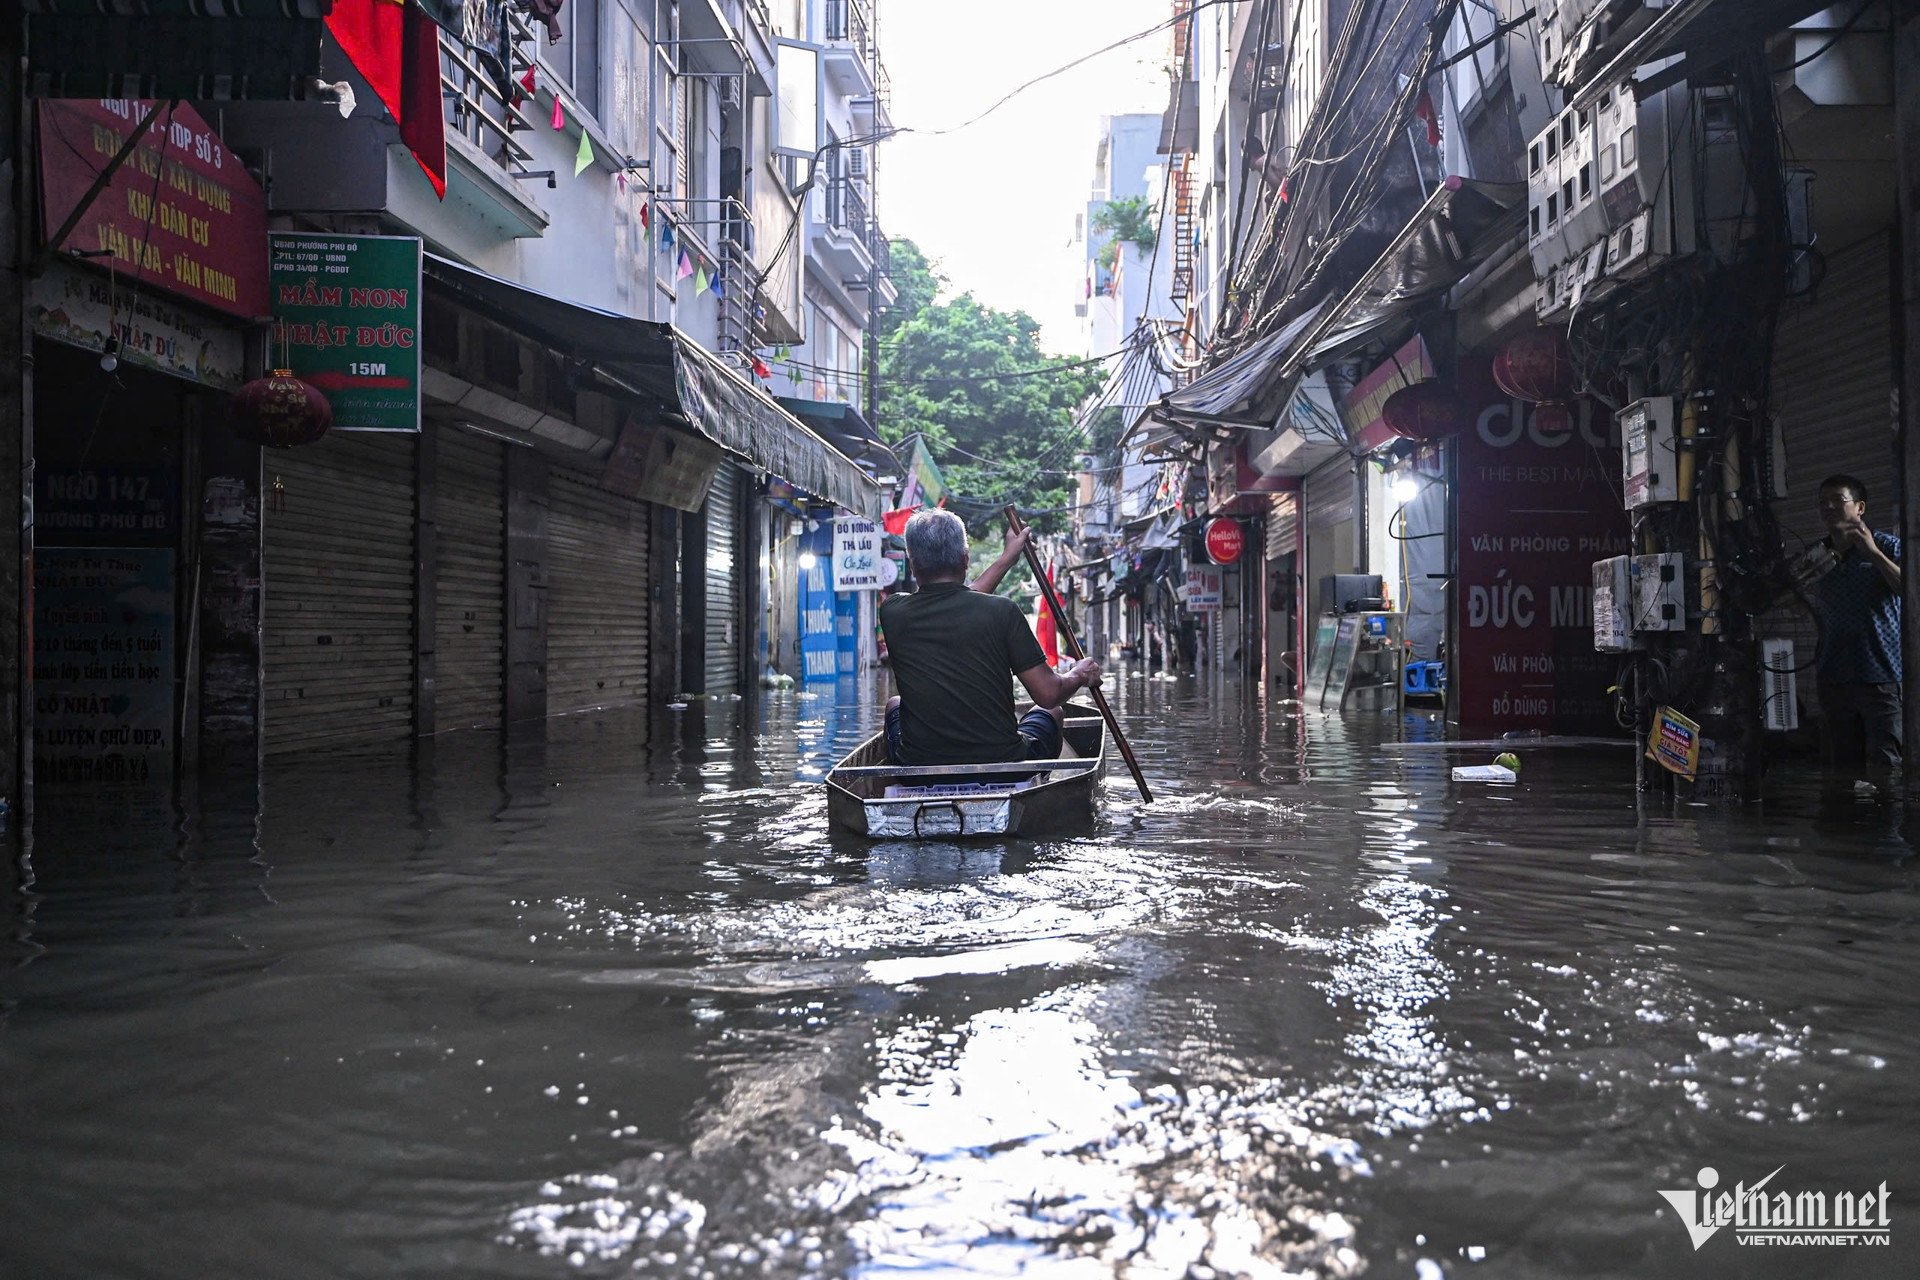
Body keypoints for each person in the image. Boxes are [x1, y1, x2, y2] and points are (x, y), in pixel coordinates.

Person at [879, 509, 1102, 766]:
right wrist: (1079, 674)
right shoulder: (1003, 611)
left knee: (895, 704)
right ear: (965, 559)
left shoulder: (893, 611)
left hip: (919, 763)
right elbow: (1049, 694)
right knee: (1052, 710)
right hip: (1005, 763)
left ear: (913, 564)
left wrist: (1007, 558)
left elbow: (962, 596)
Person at [1813, 473, 1902, 771]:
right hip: (1833, 675)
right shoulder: (1818, 556)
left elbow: (1910, 590)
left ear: (1860, 507)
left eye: (1837, 499)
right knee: (1841, 766)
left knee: (1887, 764)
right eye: (1822, 502)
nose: (1828, 507)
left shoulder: (1888, 546)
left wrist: (1873, 553)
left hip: (1880, 675)